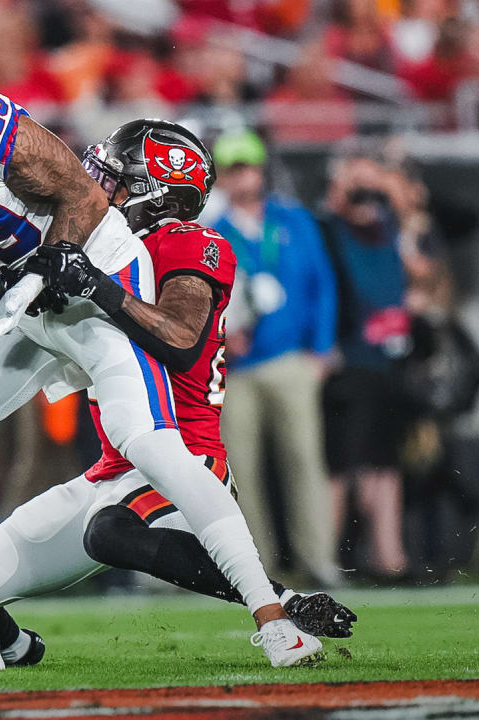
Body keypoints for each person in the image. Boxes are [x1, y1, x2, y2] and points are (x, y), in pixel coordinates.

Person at [0, 30, 313, 672]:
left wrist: (50, 268)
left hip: (99, 274)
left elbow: (85, 196)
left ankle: (275, 618)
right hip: (23, 300)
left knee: (144, 438)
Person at [0, 120, 356, 667]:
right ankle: (12, 651)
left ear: (155, 191)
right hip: (110, 468)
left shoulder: (189, 242)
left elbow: (178, 337)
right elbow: (31, 291)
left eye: (112, 178)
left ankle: (278, 605)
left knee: (111, 533)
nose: (94, 187)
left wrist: (95, 285)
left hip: (183, 453)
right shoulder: (102, 245)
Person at [207, 129, 341, 587]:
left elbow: (322, 284)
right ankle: (257, 569)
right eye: (232, 168)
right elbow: (201, 303)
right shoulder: (213, 233)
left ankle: (317, 559)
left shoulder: (293, 220)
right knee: (242, 471)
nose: (242, 176)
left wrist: (320, 350)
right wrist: (222, 341)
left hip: (290, 359)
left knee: (304, 460)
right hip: (237, 370)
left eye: (247, 166)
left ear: (261, 169)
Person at [316, 153, 412, 580]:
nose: (365, 194)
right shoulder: (329, 231)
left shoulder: (391, 229)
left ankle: (389, 557)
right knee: (341, 465)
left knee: (385, 462)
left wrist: (390, 187)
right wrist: (344, 192)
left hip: (388, 363)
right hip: (348, 363)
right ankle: (326, 559)